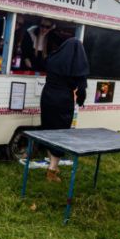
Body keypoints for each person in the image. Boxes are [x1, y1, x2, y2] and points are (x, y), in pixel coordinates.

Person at [40, 34, 89, 181]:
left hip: (47, 96)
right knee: (61, 133)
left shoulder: (53, 59)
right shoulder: (77, 65)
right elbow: (81, 90)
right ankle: (52, 170)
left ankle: (51, 162)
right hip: (63, 100)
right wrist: (81, 100)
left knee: (48, 129)